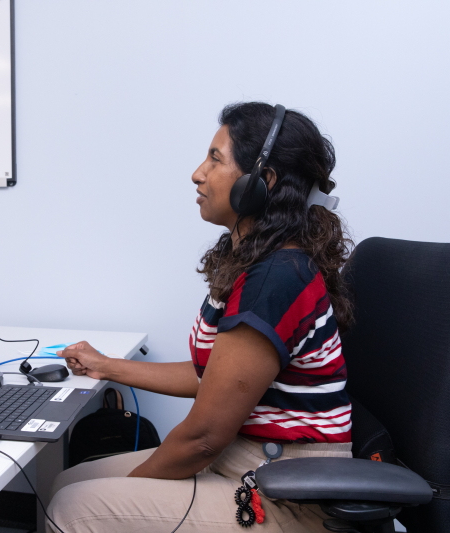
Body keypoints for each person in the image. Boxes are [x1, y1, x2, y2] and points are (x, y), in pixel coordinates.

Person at [48, 102, 354, 533]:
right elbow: (211, 377)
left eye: (215, 159)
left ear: (262, 181)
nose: (198, 174)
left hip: (289, 494)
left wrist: (129, 491)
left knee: (71, 507)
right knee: (66, 482)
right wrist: (107, 366)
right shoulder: (255, 262)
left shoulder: (275, 279)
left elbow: (203, 438)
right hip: (247, 460)